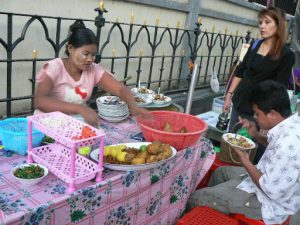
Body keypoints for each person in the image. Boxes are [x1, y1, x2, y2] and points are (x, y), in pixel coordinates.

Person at [188, 80, 300, 224]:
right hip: (265, 177)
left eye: (257, 114)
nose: (255, 117)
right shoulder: (291, 123)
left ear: (272, 113)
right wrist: (255, 134)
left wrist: (245, 161)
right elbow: (274, 145)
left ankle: (208, 204)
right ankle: (214, 214)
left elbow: (270, 189)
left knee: (198, 197)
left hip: (269, 203)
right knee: (220, 173)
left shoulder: (288, 144)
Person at [34, 21, 148, 127]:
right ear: (70, 48)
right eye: (85, 54)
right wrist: (79, 108)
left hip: (74, 124)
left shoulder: (93, 70)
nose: (90, 59)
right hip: (46, 125)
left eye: (93, 55)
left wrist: (134, 106)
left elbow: (119, 89)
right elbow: (40, 101)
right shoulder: (54, 68)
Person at [223, 7, 295, 128]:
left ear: (278, 25)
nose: (262, 26)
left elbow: (279, 88)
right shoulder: (254, 45)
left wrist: (268, 121)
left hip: (259, 111)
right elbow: (240, 71)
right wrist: (229, 95)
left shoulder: (286, 55)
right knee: (232, 139)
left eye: (267, 22)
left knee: (251, 144)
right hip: (240, 103)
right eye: (260, 22)